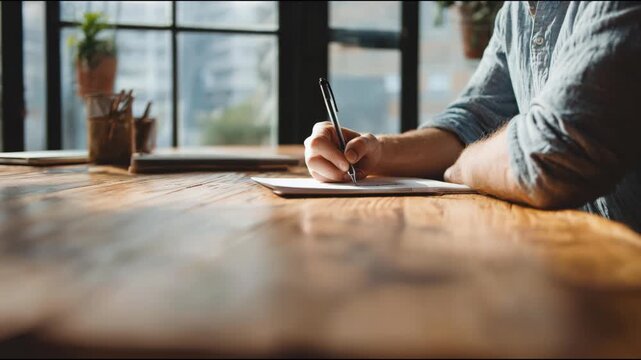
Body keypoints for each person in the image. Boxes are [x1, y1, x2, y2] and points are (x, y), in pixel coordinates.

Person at [304, 1, 641, 232]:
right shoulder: (516, 12)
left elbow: (552, 152)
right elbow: (473, 120)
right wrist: (375, 152)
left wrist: (464, 165)